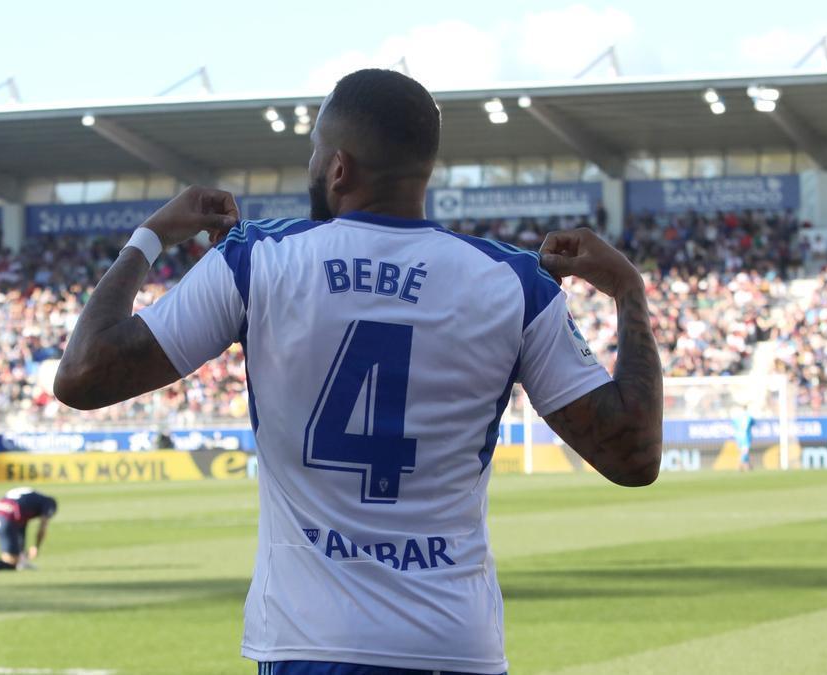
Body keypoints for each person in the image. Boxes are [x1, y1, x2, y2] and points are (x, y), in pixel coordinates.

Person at [53, 69, 662, 675]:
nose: (311, 165)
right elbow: (633, 457)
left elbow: (82, 375)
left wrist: (152, 234)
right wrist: (629, 290)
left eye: (315, 152)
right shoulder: (515, 283)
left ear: (338, 168)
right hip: (453, 646)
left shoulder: (255, 261)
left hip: (309, 644)